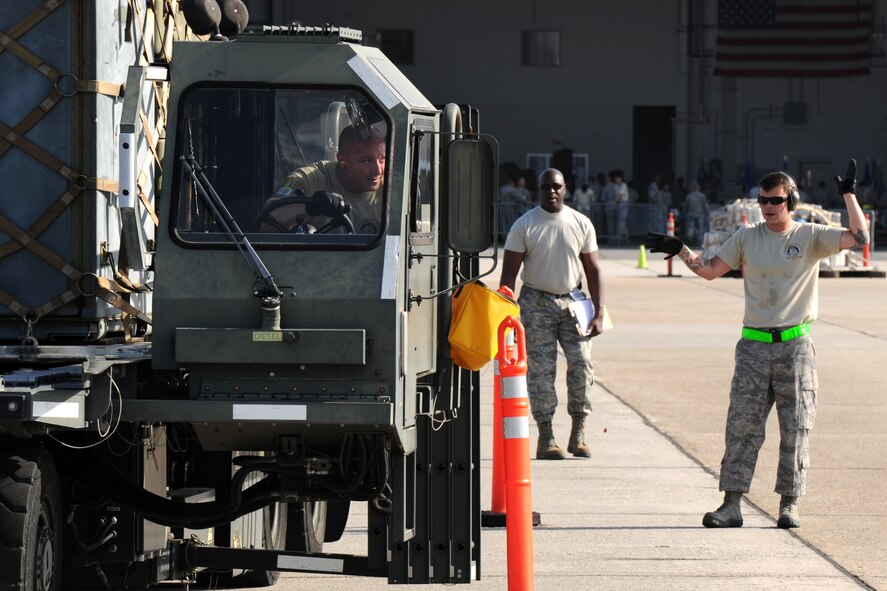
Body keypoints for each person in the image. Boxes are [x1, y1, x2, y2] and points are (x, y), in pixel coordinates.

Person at [645, 159, 869, 529]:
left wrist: (848, 195)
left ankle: (789, 503)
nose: (767, 207)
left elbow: (860, 238)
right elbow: (710, 270)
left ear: (790, 201)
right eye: (762, 200)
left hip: (794, 346)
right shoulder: (748, 236)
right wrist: (681, 249)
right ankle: (731, 504)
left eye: (776, 200)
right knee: (741, 427)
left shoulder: (810, 235)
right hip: (753, 346)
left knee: (795, 427)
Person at [499, 168, 605, 460]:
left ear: (565, 188)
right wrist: (505, 318)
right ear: (539, 190)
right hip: (537, 304)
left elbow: (593, 271)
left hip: (574, 302)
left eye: (556, 186)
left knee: (582, 363)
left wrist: (598, 313)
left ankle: (579, 431)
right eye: (546, 187)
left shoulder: (580, 223)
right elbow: (508, 276)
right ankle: (546, 436)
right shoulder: (525, 225)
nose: (552, 192)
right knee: (542, 371)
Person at [260, 124, 385, 234]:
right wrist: (309, 207)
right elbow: (265, 224)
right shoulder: (307, 179)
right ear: (342, 160)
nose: (378, 170)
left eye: (382, 159)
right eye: (366, 161)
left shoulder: (392, 190)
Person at [681, 180, 709, 246]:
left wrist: (684, 212)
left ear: (691, 188)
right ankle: (699, 242)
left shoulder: (689, 196)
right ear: (698, 188)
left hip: (690, 214)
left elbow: (685, 207)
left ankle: (690, 240)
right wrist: (706, 213)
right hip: (699, 215)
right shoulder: (702, 196)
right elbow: (705, 206)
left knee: (690, 228)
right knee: (699, 229)